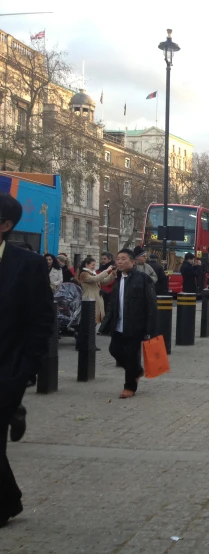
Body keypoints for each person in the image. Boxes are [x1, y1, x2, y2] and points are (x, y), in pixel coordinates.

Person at [0, 193, 55, 527]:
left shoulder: (28, 265)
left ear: (5, 226)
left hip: (6, 370)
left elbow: (42, 322)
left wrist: (23, 372)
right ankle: (9, 498)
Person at [99, 249, 157, 399]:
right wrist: (106, 323)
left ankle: (129, 387)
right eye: (118, 259)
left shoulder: (143, 279)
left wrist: (150, 328)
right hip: (119, 325)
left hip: (136, 325)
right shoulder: (118, 279)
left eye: (124, 259)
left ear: (132, 262)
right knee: (114, 350)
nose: (119, 261)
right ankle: (137, 371)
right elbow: (113, 304)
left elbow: (151, 304)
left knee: (131, 355)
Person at [77, 257, 116, 324]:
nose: (94, 267)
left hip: (97, 298)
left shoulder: (94, 273)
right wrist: (106, 270)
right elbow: (95, 279)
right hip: (89, 298)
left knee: (96, 320)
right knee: (90, 320)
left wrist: (112, 273)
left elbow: (105, 282)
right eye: (92, 265)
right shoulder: (83, 274)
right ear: (86, 265)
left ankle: (93, 333)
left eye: (95, 265)